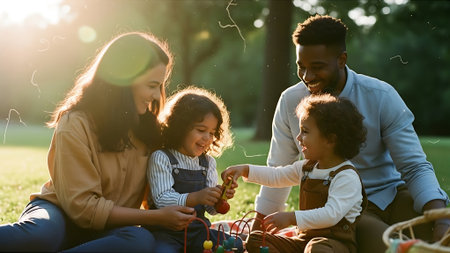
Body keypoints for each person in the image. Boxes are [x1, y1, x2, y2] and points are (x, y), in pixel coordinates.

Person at [251, 15, 449, 253]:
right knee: (385, 246)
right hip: (346, 206)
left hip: (393, 195)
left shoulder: (380, 96)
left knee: (438, 235)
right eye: (300, 67)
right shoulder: (291, 101)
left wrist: (441, 218)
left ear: (342, 59)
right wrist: (259, 226)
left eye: (317, 67)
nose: (307, 77)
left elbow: (414, 166)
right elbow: (278, 169)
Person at [0, 32, 196, 252]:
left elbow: (173, 176)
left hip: (110, 229)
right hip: (59, 214)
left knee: (139, 240)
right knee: (41, 234)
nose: (157, 96)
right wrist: (155, 218)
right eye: (151, 85)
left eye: (159, 86)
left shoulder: (151, 132)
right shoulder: (75, 123)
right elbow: (84, 208)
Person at [222, 94, 367, 253]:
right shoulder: (307, 168)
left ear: (330, 140)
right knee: (256, 239)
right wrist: (245, 170)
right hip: (303, 241)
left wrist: (292, 217)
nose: (298, 138)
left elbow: (331, 214)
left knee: (317, 249)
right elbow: (277, 176)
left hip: (333, 244)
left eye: (305, 131)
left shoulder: (345, 176)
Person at [146, 86, 244, 252]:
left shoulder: (207, 163)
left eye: (212, 132)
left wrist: (219, 199)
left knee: (236, 244)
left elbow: (210, 210)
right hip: (165, 232)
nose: (207, 138)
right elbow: (162, 199)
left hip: (199, 231)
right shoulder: (162, 157)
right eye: (201, 130)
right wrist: (197, 197)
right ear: (179, 127)